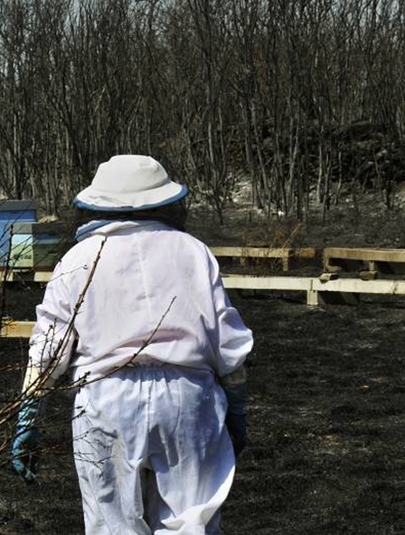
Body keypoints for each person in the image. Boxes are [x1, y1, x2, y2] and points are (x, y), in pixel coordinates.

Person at [13, 154, 253, 534]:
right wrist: (237, 406)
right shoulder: (192, 251)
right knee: (192, 525)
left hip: (105, 401)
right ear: (165, 201)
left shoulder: (79, 258)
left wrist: (29, 416)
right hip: (188, 399)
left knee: (112, 527)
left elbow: (49, 349)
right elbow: (227, 341)